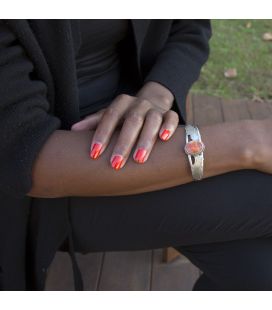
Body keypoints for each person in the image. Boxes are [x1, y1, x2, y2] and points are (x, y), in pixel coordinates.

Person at [1, 19, 272, 291]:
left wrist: (156, 93)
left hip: (148, 131)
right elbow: (25, 155)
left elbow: (190, 26)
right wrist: (247, 142)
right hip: (54, 178)